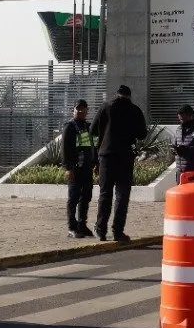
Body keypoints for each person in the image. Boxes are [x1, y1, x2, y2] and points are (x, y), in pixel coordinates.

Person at [91, 84, 148, 243]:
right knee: (122, 195)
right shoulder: (135, 110)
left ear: (117, 94)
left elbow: (92, 131)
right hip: (125, 157)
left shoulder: (105, 107)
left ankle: (101, 230)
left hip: (106, 156)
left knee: (105, 194)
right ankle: (118, 232)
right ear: (129, 96)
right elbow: (142, 134)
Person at [61, 100, 97, 238]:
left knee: (86, 198)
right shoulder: (69, 127)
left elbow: (92, 147)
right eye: (78, 109)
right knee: (73, 199)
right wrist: (68, 168)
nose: (81, 111)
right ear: (73, 110)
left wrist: (96, 164)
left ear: (87, 110)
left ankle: (82, 225)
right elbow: (65, 149)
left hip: (87, 169)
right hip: (75, 169)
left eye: (83, 109)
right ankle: (71, 227)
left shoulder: (88, 127)